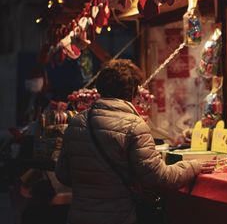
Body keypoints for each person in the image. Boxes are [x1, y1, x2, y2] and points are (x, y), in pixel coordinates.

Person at [55, 59, 215, 224]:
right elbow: (159, 179)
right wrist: (194, 165)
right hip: (118, 217)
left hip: (79, 217)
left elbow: (63, 174)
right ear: (132, 91)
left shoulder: (76, 122)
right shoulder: (134, 125)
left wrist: (92, 186)